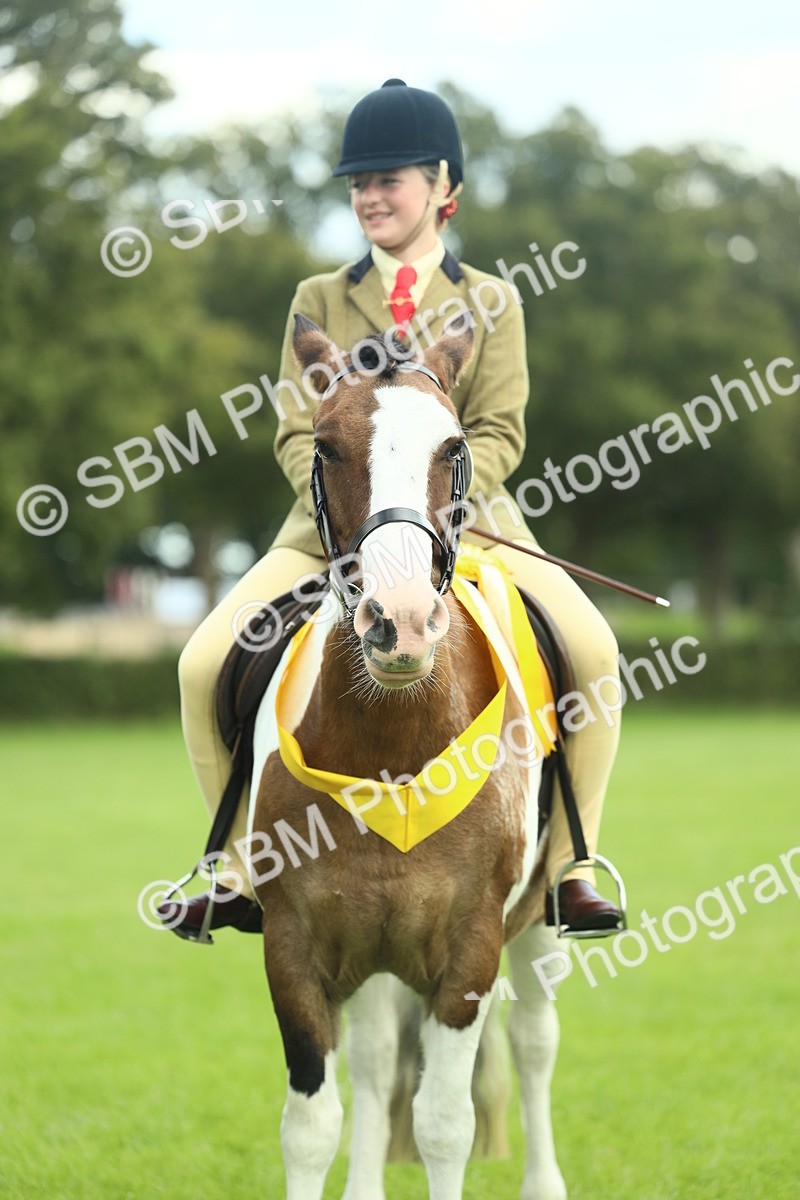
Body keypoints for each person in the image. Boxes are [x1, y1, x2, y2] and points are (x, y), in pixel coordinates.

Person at [167, 79, 622, 939]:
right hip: (330, 536)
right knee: (200, 665)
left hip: (473, 527)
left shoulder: (494, 299)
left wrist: (427, 510)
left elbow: (499, 431)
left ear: (442, 186)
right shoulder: (318, 299)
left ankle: (574, 863)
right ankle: (232, 864)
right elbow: (295, 434)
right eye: (359, 183)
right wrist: (363, 517)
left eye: (390, 179)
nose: (370, 197)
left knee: (596, 657)